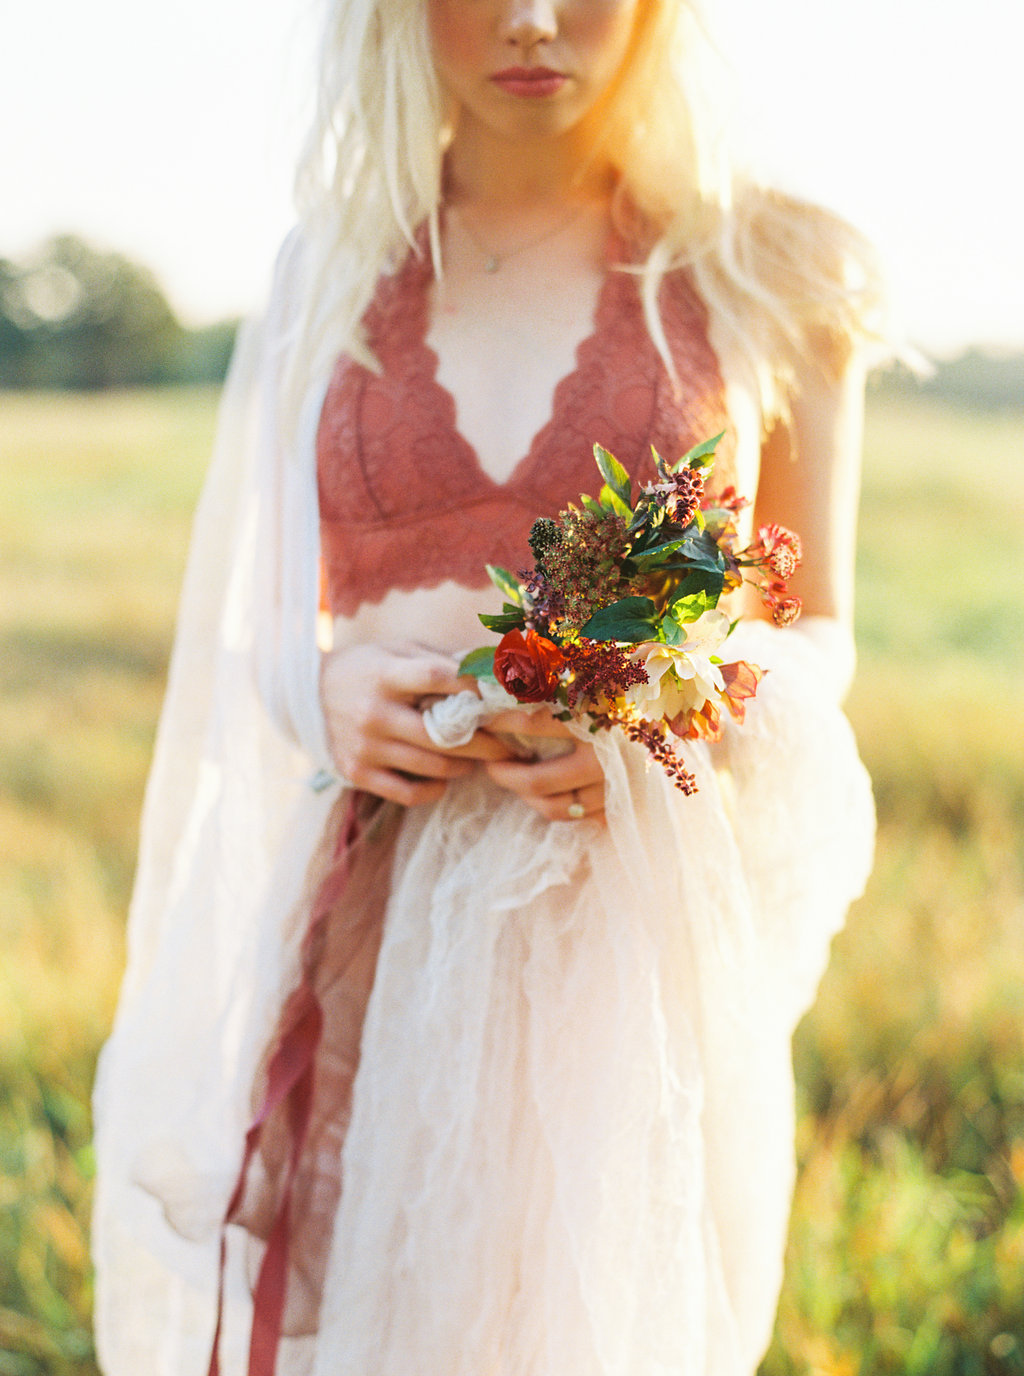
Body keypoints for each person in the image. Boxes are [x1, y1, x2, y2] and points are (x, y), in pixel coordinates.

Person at [92, 1, 880, 1373]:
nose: (530, 19)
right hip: (373, 904)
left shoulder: (774, 264)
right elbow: (258, 611)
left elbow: (816, 626)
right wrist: (319, 690)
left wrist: (682, 700)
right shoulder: (328, 269)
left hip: (613, 916)